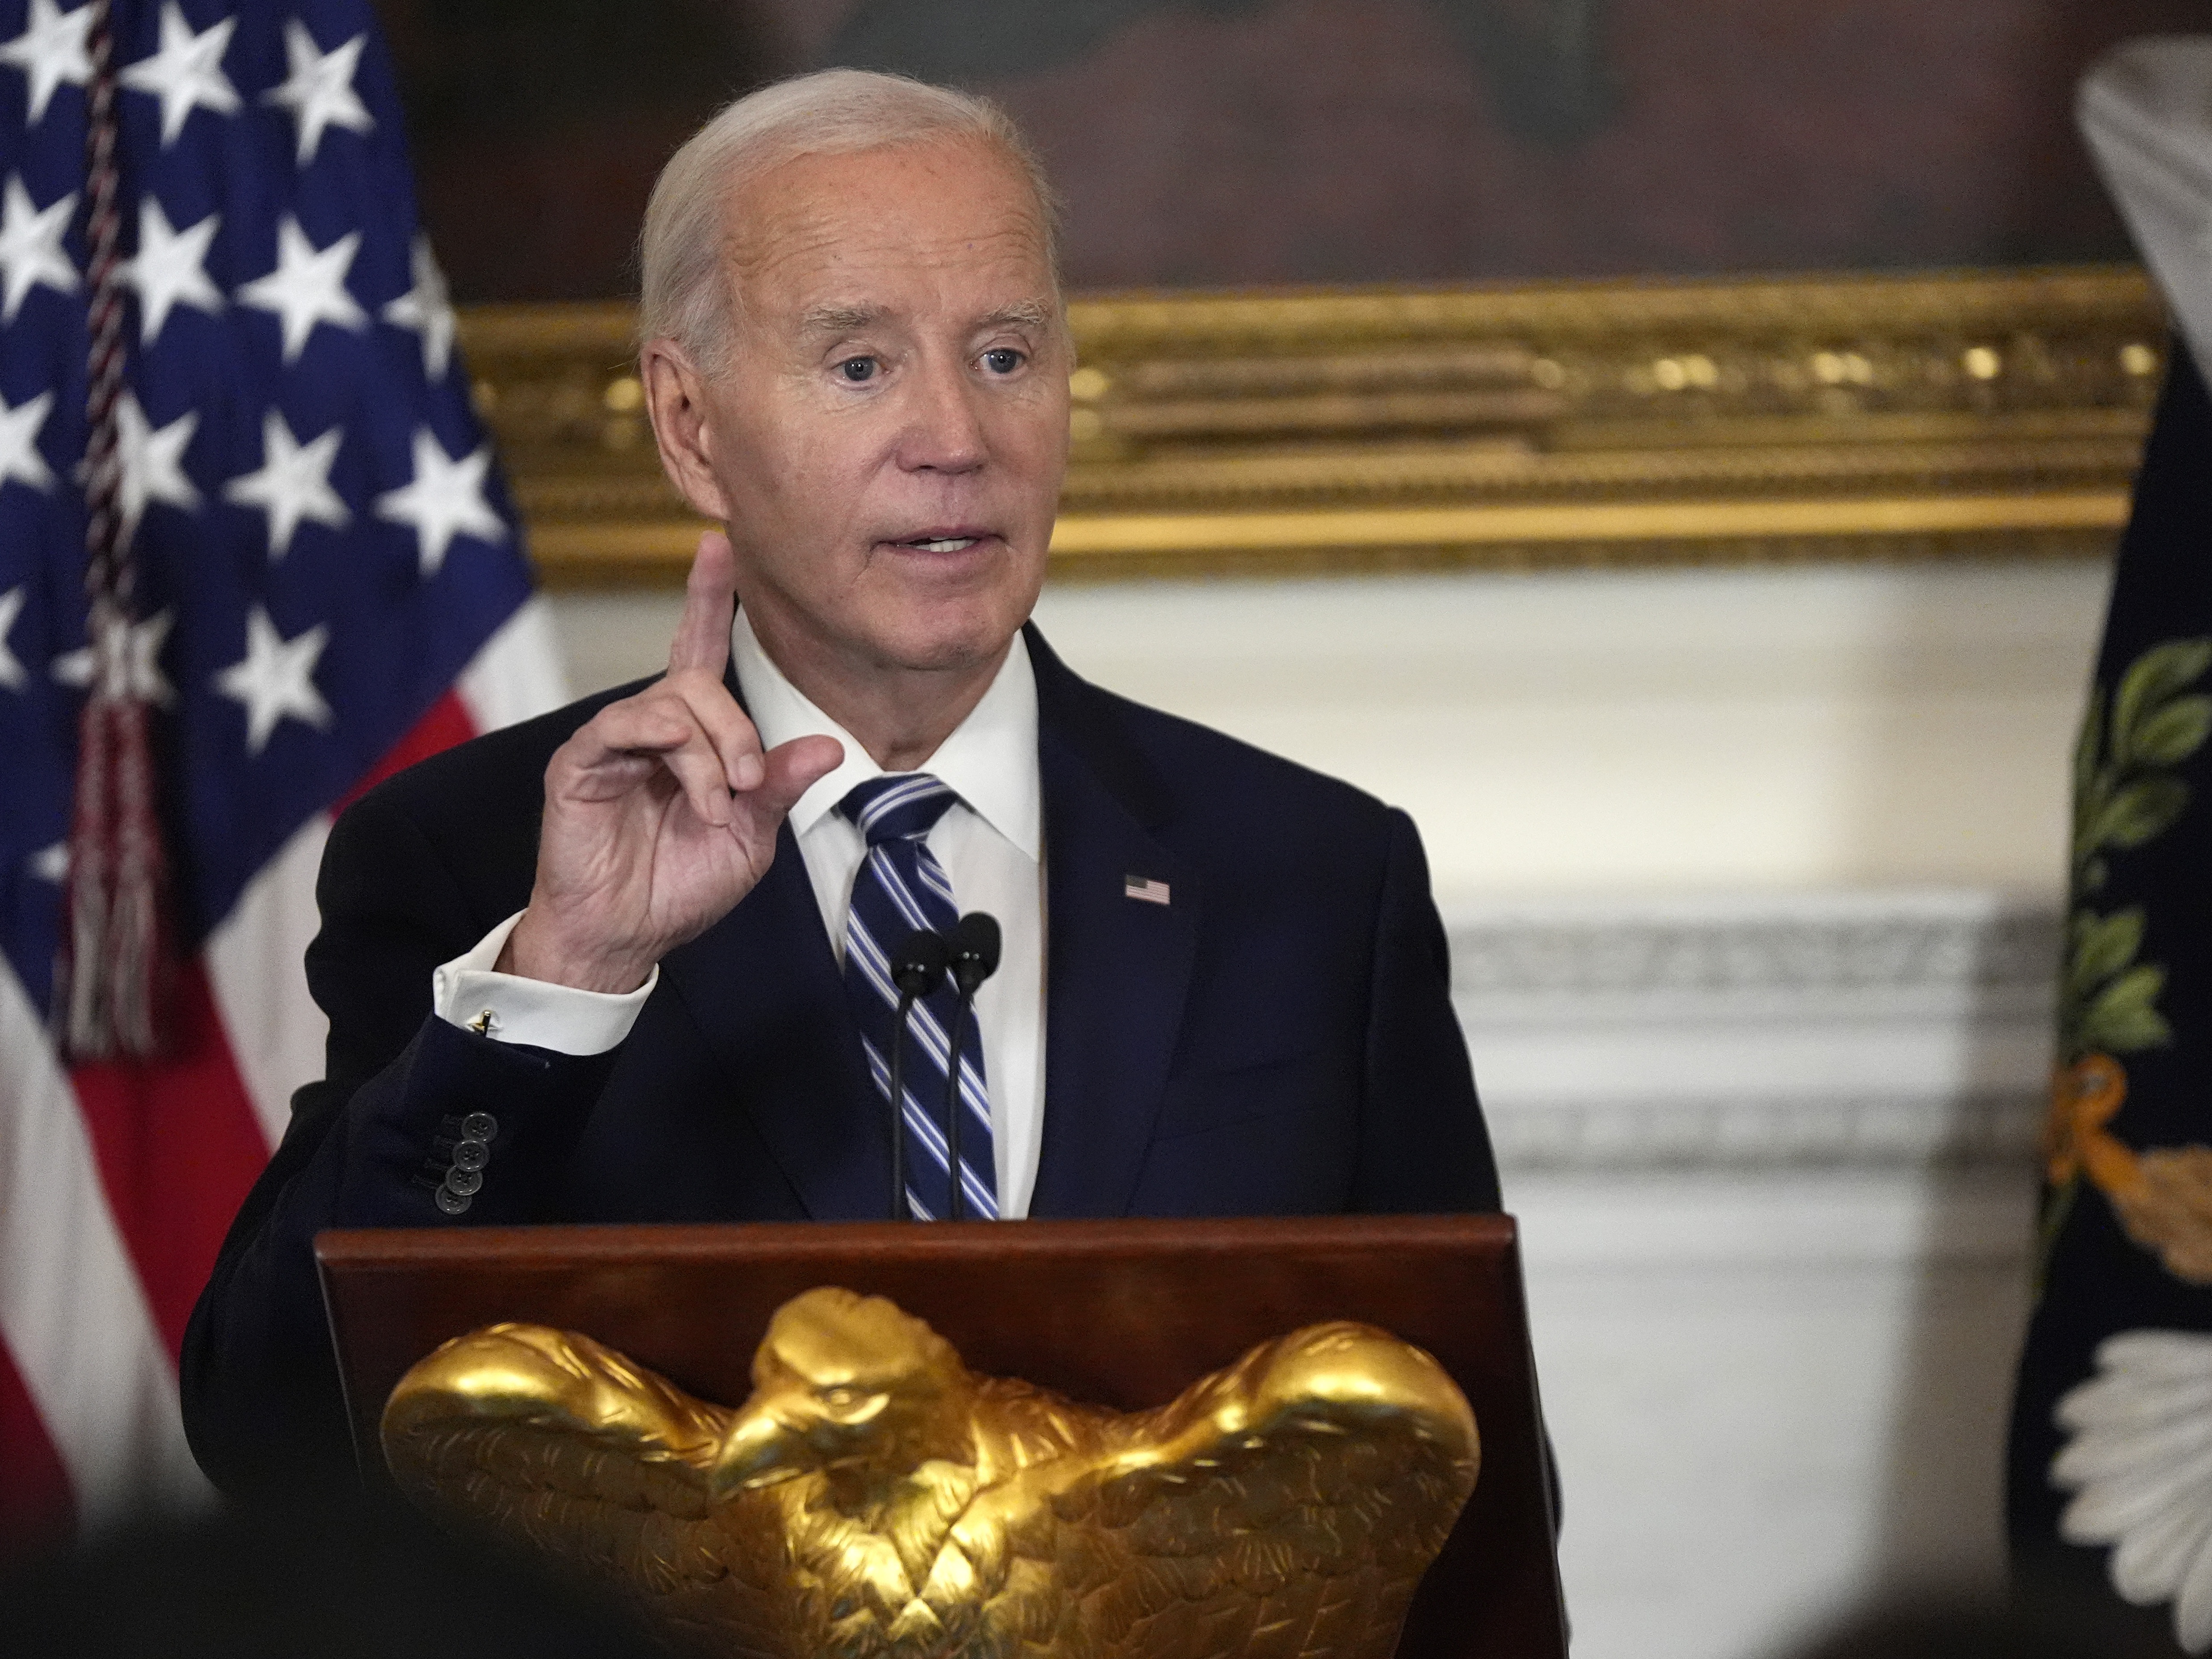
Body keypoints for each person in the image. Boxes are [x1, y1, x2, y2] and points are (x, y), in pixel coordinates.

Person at [181, 68, 1498, 1496]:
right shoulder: (472, 859)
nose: (957, 437)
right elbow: (277, 1435)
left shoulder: (1311, 876)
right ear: (691, 426)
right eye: (861, 365)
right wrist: (564, 979)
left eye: (1005, 355)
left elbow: (1452, 1469)